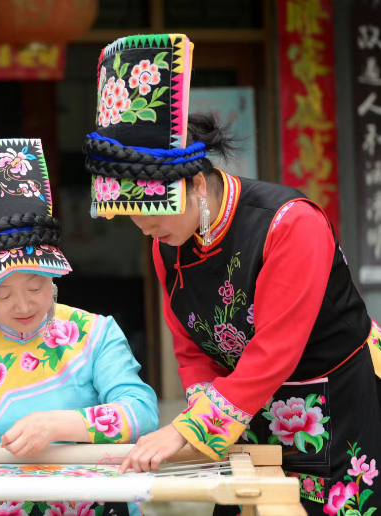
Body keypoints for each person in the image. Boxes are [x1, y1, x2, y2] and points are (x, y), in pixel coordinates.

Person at [83, 33, 381, 515]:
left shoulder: (289, 223)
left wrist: (189, 428)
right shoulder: (168, 241)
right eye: (132, 216)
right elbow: (189, 343)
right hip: (242, 409)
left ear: (197, 183)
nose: (145, 227)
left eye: (152, 211)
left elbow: (275, 349)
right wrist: (205, 422)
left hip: (335, 394)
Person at [0, 138, 158, 516]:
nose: (24, 305)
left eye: (35, 286)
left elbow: (141, 411)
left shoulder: (95, 332)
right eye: (3, 294)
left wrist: (58, 424)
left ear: (53, 279)